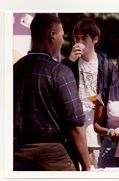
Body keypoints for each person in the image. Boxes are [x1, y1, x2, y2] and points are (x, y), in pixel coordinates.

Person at [13, 13, 91, 171]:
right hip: (54, 158)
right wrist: (87, 167)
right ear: (52, 36)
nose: (63, 41)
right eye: (62, 36)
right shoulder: (60, 72)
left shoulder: (14, 70)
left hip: (17, 156)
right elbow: (76, 124)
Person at [61, 18, 117, 168]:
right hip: (75, 129)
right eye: (76, 38)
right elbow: (56, 83)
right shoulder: (70, 65)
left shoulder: (107, 66)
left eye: (84, 38)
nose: (79, 42)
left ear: (95, 39)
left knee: (96, 168)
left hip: (97, 129)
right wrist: (69, 61)